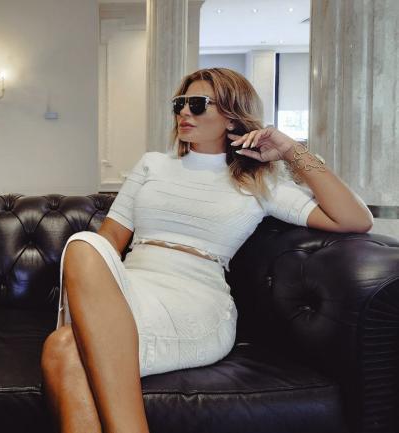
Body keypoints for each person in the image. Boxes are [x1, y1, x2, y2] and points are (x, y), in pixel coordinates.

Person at [40, 68, 373, 433]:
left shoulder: (259, 181)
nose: (184, 112)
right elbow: (109, 241)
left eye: (197, 104)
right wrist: (93, 299)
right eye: (179, 104)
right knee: (83, 247)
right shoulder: (152, 164)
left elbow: (355, 219)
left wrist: (291, 151)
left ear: (231, 115)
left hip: (195, 300)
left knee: (63, 347)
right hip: (131, 289)